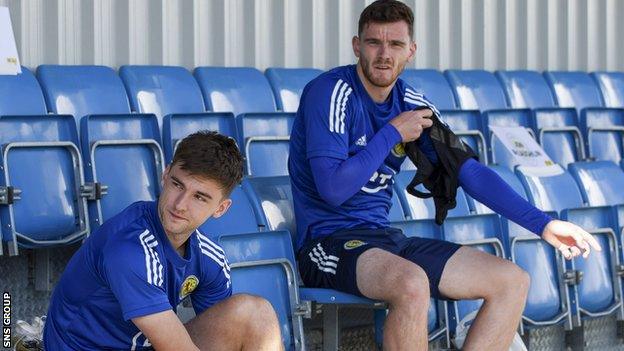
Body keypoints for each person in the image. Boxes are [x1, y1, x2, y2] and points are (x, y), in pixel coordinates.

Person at [288, 1, 601, 350]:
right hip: (328, 243)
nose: (384, 54)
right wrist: (391, 133)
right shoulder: (330, 92)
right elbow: (332, 189)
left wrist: (543, 225)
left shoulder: (412, 104)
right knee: (411, 283)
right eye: (374, 42)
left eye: (395, 45)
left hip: (385, 241)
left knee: (512, 281)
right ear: (356, 45)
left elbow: (468, 172)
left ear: (411, 51)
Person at [44, 131, 283, 350]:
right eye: (177, 184)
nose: (180, 204)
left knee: (255, 314)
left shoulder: (209, 257)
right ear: (165, 175)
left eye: (199, 197)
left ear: (220, 208)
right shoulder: (128, 248)